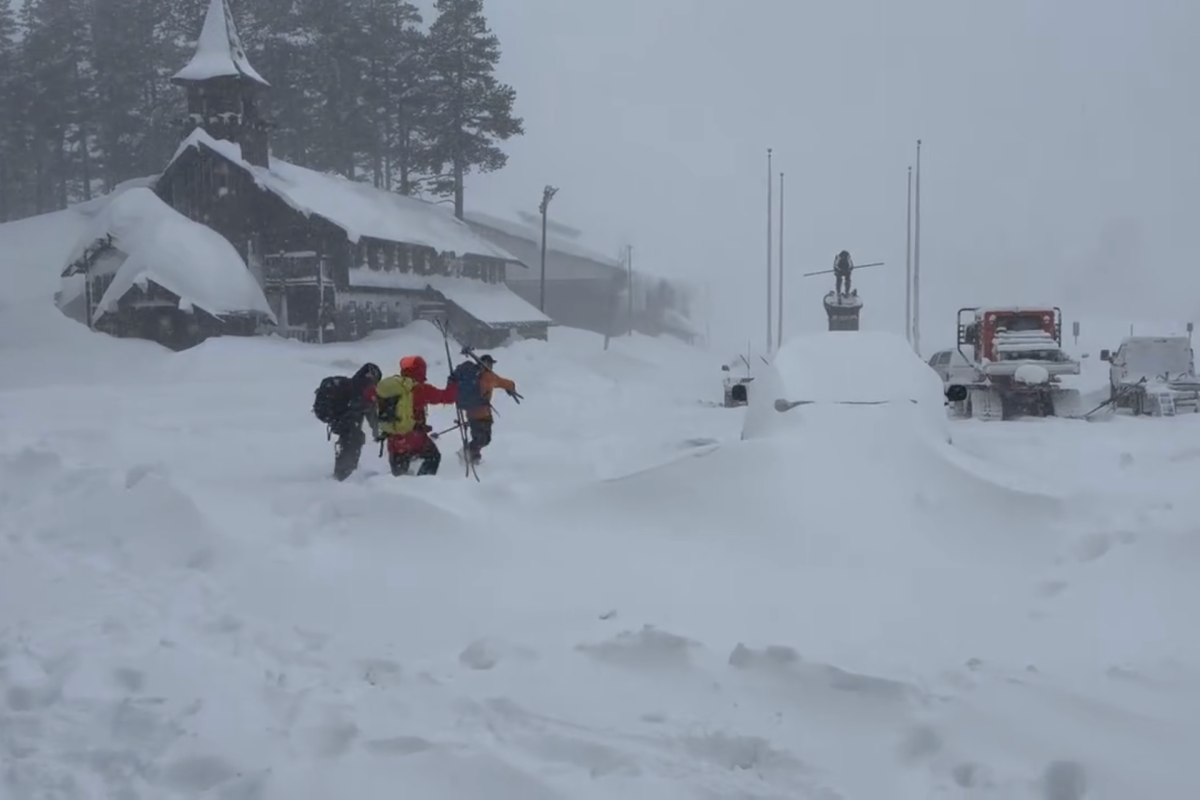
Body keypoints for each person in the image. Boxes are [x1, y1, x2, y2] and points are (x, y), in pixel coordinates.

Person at [375, 355, 458, 476]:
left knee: (398, 477)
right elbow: (448, 397)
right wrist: (453, 383)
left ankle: (390, 485)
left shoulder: (394, 389)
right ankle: (423, 482)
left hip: (393, 439)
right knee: (433, 456)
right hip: (414, 439)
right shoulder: (421, 389)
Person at [312, 362, 382, 481]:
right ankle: (345, 475)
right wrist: (377, 432)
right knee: (354, 441)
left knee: (348, 442)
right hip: (348, 422)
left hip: (339, 420)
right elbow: (370, 413)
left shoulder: (351, 384)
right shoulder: (365, 388)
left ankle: (341, 473)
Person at [451, 353, 518, 465]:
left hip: (471, 412)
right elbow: (503, 382)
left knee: (479, 438)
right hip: (483, 414)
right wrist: (512, 386)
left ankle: (473, 456)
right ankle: (466, 452)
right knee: (483, 439)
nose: (491, 366)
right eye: (491, 364)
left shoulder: (473, 375)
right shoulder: (488, 376)